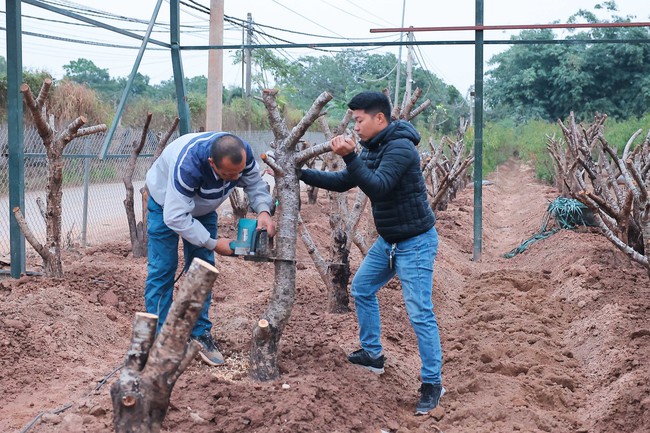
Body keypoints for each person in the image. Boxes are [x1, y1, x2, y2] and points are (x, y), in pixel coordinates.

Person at [298, 91, 444, 415]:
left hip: (415, 242)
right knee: (363, 288)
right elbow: (342, 182)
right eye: (353, 121)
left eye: (359, 120)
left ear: (380, 118)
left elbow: (377, 186)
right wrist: (300, 173)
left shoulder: (401, 148)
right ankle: (372, 354)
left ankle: (433, 383)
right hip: (389, 241)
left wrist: (351, 156)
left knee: (419, 312)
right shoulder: (373, 147)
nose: (356, 128)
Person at [145, 132, 275, 366]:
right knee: (163, 270)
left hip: (203, 211)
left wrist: (263, 210)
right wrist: (213, 244)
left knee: (203, 270)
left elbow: (254, 183)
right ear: (212, 164)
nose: (235, 179)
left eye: (238, 173)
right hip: (166, 205)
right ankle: (160, 342)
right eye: (228, 175)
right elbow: (174, 217)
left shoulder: (240, 154)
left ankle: (199, 334)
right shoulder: (189, 165)